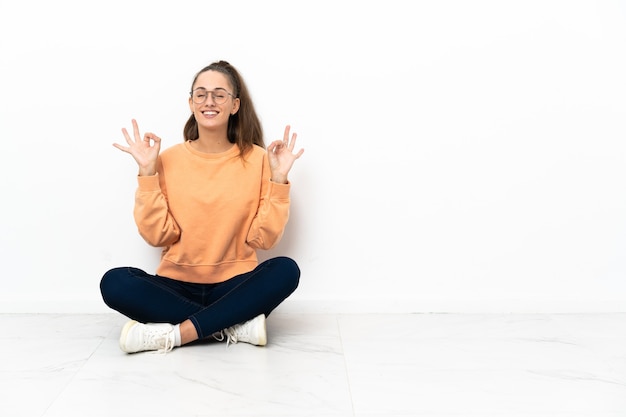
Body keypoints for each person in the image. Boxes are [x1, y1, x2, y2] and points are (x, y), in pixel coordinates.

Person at [100, 60, 304, 354]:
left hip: (235, 284)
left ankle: (176, 335)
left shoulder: (259, 159)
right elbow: (158, 237)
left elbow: (264, 240)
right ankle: (232, 324)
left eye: (219, 94)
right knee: (115, 282)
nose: (209, 101)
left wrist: (279, 181)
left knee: (285, 270)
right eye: (201, 94)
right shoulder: (167, 159)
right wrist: (147, 173)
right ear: (191, 103)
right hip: (176, 285)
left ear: (234, 105)